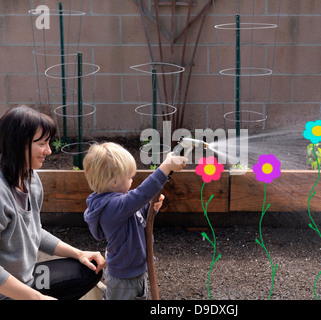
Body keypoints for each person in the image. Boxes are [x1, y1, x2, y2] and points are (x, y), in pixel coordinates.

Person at [0, 105, 106, 300]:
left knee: (89, 269)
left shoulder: (31, 180)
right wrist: (36, 298)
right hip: (6, 292)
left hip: (30, 279)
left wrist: (79, 253)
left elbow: (34, 232)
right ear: (18, 143)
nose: (48, 151)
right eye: (42, 143)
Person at [83, 142, 187, 300]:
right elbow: (141, 195)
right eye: (129, 177)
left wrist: (150, 208)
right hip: (125, 279)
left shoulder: (117, 204)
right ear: (114, 182)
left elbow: (135, 215)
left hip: (133, 273)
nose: (132, 181)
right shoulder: (111, 207)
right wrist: (165, 168)